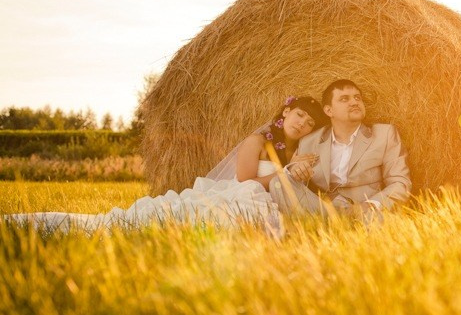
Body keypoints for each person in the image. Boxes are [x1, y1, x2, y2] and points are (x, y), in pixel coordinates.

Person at [3, 95, 328, 234]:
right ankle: (25, 223)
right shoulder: (255, 141)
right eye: (300, 114)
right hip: (237, 196)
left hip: (259, 203)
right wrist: (284, 174)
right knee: (122, 224)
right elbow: (244, 179)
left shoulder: (297, 154)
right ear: (285, 113)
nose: (303, 123)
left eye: (311, 122)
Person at [269, 79, 411, 223]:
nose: (354, 102)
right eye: (344, 99)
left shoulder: (384, 134)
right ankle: (331, 225)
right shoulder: (310, 141)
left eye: (357, 98)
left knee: (380, 220)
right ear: (329, 110)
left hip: (362, 210)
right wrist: (297, 171)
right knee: (278, 182)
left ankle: (326, 229)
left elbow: (400, 183)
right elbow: (297, 177)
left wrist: (369, 205)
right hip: (321, 208)